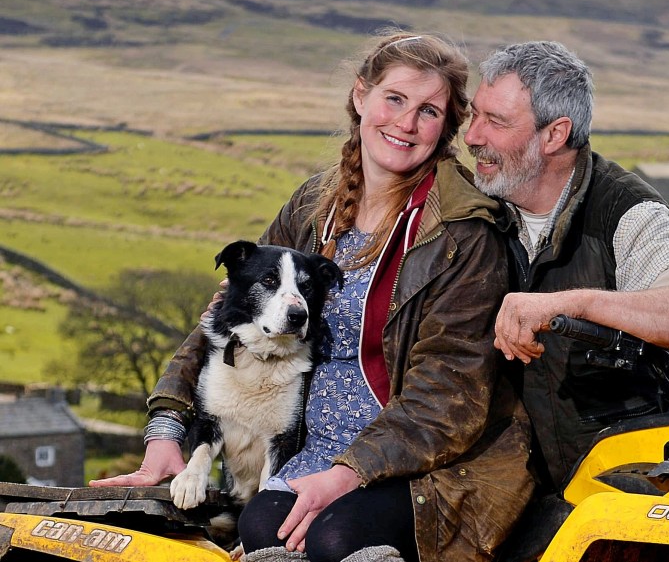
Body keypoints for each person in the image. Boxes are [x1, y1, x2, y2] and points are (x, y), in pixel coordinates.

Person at [92, 32, 534, 562]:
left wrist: (349, 474)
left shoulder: (463, 233)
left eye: (429, 111)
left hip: (430, 461)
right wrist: (166, 430)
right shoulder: (312, 207)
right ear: (360, 96)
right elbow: (229, 320)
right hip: (314, 449)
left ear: (447, 127)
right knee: (263, 525)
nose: (407, 123)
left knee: (334, 538)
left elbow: (449, 395)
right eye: (394, 99)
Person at [462, 41, 669, 494]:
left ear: (554, 135)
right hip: (506, 485)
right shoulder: (475, 205)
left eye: (496, 122)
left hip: (621, 485)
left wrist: (578, 304)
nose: (473, 136)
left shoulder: (625, 212)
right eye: (476, 115)